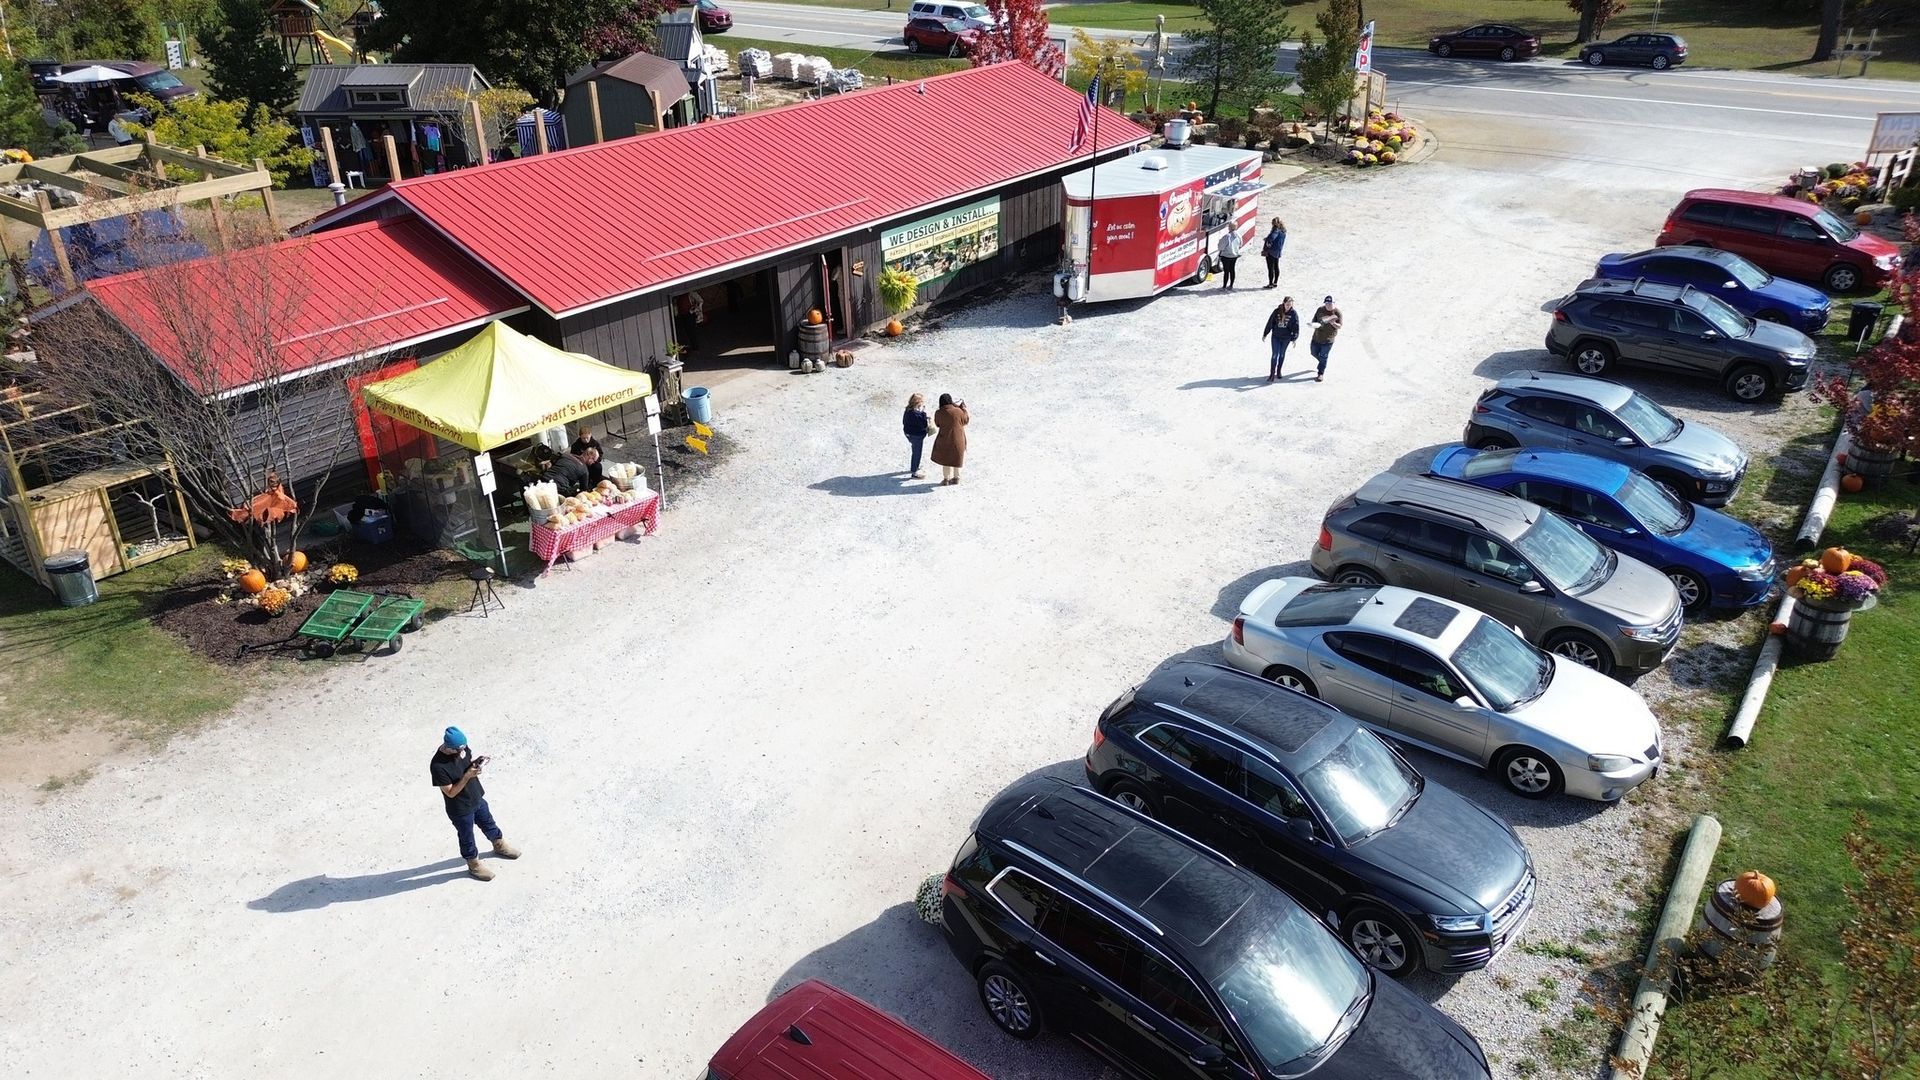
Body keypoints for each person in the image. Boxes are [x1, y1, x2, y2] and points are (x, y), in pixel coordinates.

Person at [430, 726, 520, 881]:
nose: (463, 752)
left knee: (489, 823)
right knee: (467, 837)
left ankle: (499, 845)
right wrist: (467, 776)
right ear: (448, 748)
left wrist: (476, 765)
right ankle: (474, 865)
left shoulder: (462, 749)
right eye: (459, 750)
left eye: (464, 747)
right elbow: (450, 792)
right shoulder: (438, 766)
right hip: (460, 809)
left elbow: (466, 764)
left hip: (476, 797)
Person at [931, 393, 969, 486]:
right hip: (958, 439)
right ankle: (956, 478)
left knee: (946, 459)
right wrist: (962, 408)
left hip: (945, 439)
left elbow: (937, 424)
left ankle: (946, 479)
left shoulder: (939, 412)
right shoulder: (958, 411)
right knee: (957, 458)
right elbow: (966, 420)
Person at [1261, 296, 1300, 382]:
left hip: (1286, 338)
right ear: (1284, 303)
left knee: (1282, 354)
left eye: (1290, 305)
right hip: (1276, 337)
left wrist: (1294, 338)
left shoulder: (1294, 314)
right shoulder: (1277, 311)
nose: (1288, 306)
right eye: (1287, 304)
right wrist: (1265, 333)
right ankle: (1272, 374)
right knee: (1275, 355)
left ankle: (1278, 371)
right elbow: (1270, 322)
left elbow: (1296, 326)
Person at [1309, 296, 1343, 383]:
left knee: (1323, 356)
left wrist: (1333, 323)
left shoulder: (1337, 313)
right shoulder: (1320, 309)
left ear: (1333, 303)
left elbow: (1340, 326)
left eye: (1330, 303)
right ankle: (1322, 363)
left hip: (1328, 340)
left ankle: (1320, 373)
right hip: (1316, 337)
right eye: (1326, 303)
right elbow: (1314, 320)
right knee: (1313, 353)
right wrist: (1314, 325)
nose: (1328, 305)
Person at [902, 393, 932, 479]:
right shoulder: (916, 414)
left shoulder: (908, 410)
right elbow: (923, 424)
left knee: (915, 449)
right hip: (916, 435)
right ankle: (914, 471)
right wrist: (924, 414)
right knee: (917, 452)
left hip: (908, 433)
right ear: (917, 402)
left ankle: (914, 466)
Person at [1260, 218, 1287, 289]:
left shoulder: (1275, 230)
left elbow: (1271, 238)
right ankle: (1275, 282)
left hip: (1271, 251)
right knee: (1276, 266)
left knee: (1270, 268)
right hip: (1278, 251)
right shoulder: (1283, 231)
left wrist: (1267, 240)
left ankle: (1270, 283)